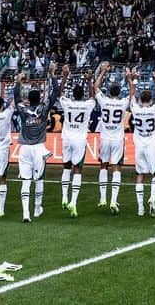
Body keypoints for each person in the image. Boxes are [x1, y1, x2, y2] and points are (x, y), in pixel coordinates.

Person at [12, 67, 59, 222]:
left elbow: (16, 97)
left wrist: (18, 81)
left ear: (29, 99)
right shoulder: (44, 109)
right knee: (39, 179)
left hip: (24, 148)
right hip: (39, 148)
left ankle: (26, 213)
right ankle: (37, 208)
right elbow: (54, 93)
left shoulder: (23, 109)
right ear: (39, 98)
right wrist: (52, 75)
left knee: (25, 181)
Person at [58, 64, 96, 217]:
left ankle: (64, 196)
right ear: (82, 95)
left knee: (66, 167)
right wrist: (89, 81)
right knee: (78, 170)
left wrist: (65, 77)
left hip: (66, 138)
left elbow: (60, 93)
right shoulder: (87, 105)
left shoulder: (67, 103)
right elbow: (93, 97)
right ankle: (73, 202)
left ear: (73, 94)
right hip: (79, 139)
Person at [94, 61, 130, 213]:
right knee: (117, 168)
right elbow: (133, 94)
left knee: (103, 166)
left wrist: (102, 72)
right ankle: (113, 201)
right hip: (117, 139)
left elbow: (95, 87)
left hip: (105, 138)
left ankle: (102, 198)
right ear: (119, 92)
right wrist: (129, 78)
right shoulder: (122, 102)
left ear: (109, 92)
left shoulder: (104, 100)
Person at [128, 67, 155, 217]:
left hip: (139, 145)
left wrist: (134, 79)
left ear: (140, 99)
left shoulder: (135, 109)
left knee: (140, 175)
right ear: (150, 100)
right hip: (151, 144)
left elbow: (131, 94)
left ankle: (140, 208)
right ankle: (152, 198)